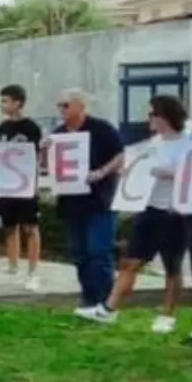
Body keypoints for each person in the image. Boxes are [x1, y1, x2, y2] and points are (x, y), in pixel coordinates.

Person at [85, 94, 189, 332]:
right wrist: (110, 172)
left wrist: (171, 173)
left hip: (175, 212)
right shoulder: (154, 142)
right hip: (150, 209)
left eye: (152, 113)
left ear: (165, 116)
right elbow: (128, 156)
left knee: (172, 265)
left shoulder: (186, 144)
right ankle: (109, 309)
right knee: (131, 261)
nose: (148, 118)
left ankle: (168, 315)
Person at [47, 89, 124, 319]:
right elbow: (50, 166)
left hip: (100, 200)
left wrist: (102, 172)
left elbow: (122, 154)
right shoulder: (59, 134)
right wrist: (45, 151)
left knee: (99, 250)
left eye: (66, 105)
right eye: (59, 106)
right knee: (80, 253)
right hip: (72, 202)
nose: (61, 110)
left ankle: (106, 301)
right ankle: (89, 297)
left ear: (81, 106)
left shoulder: (101, 128)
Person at [0, 83, 43, 291]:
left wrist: (34, 182)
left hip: (26, 183)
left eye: (6, 100)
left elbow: (37, 156)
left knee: (30, 226)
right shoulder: (3, 127)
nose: (2, 104)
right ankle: (12, 264)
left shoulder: (31, 127)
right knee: (9, 226)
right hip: (7, 184)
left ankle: (33, 268)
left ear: (17, 102)